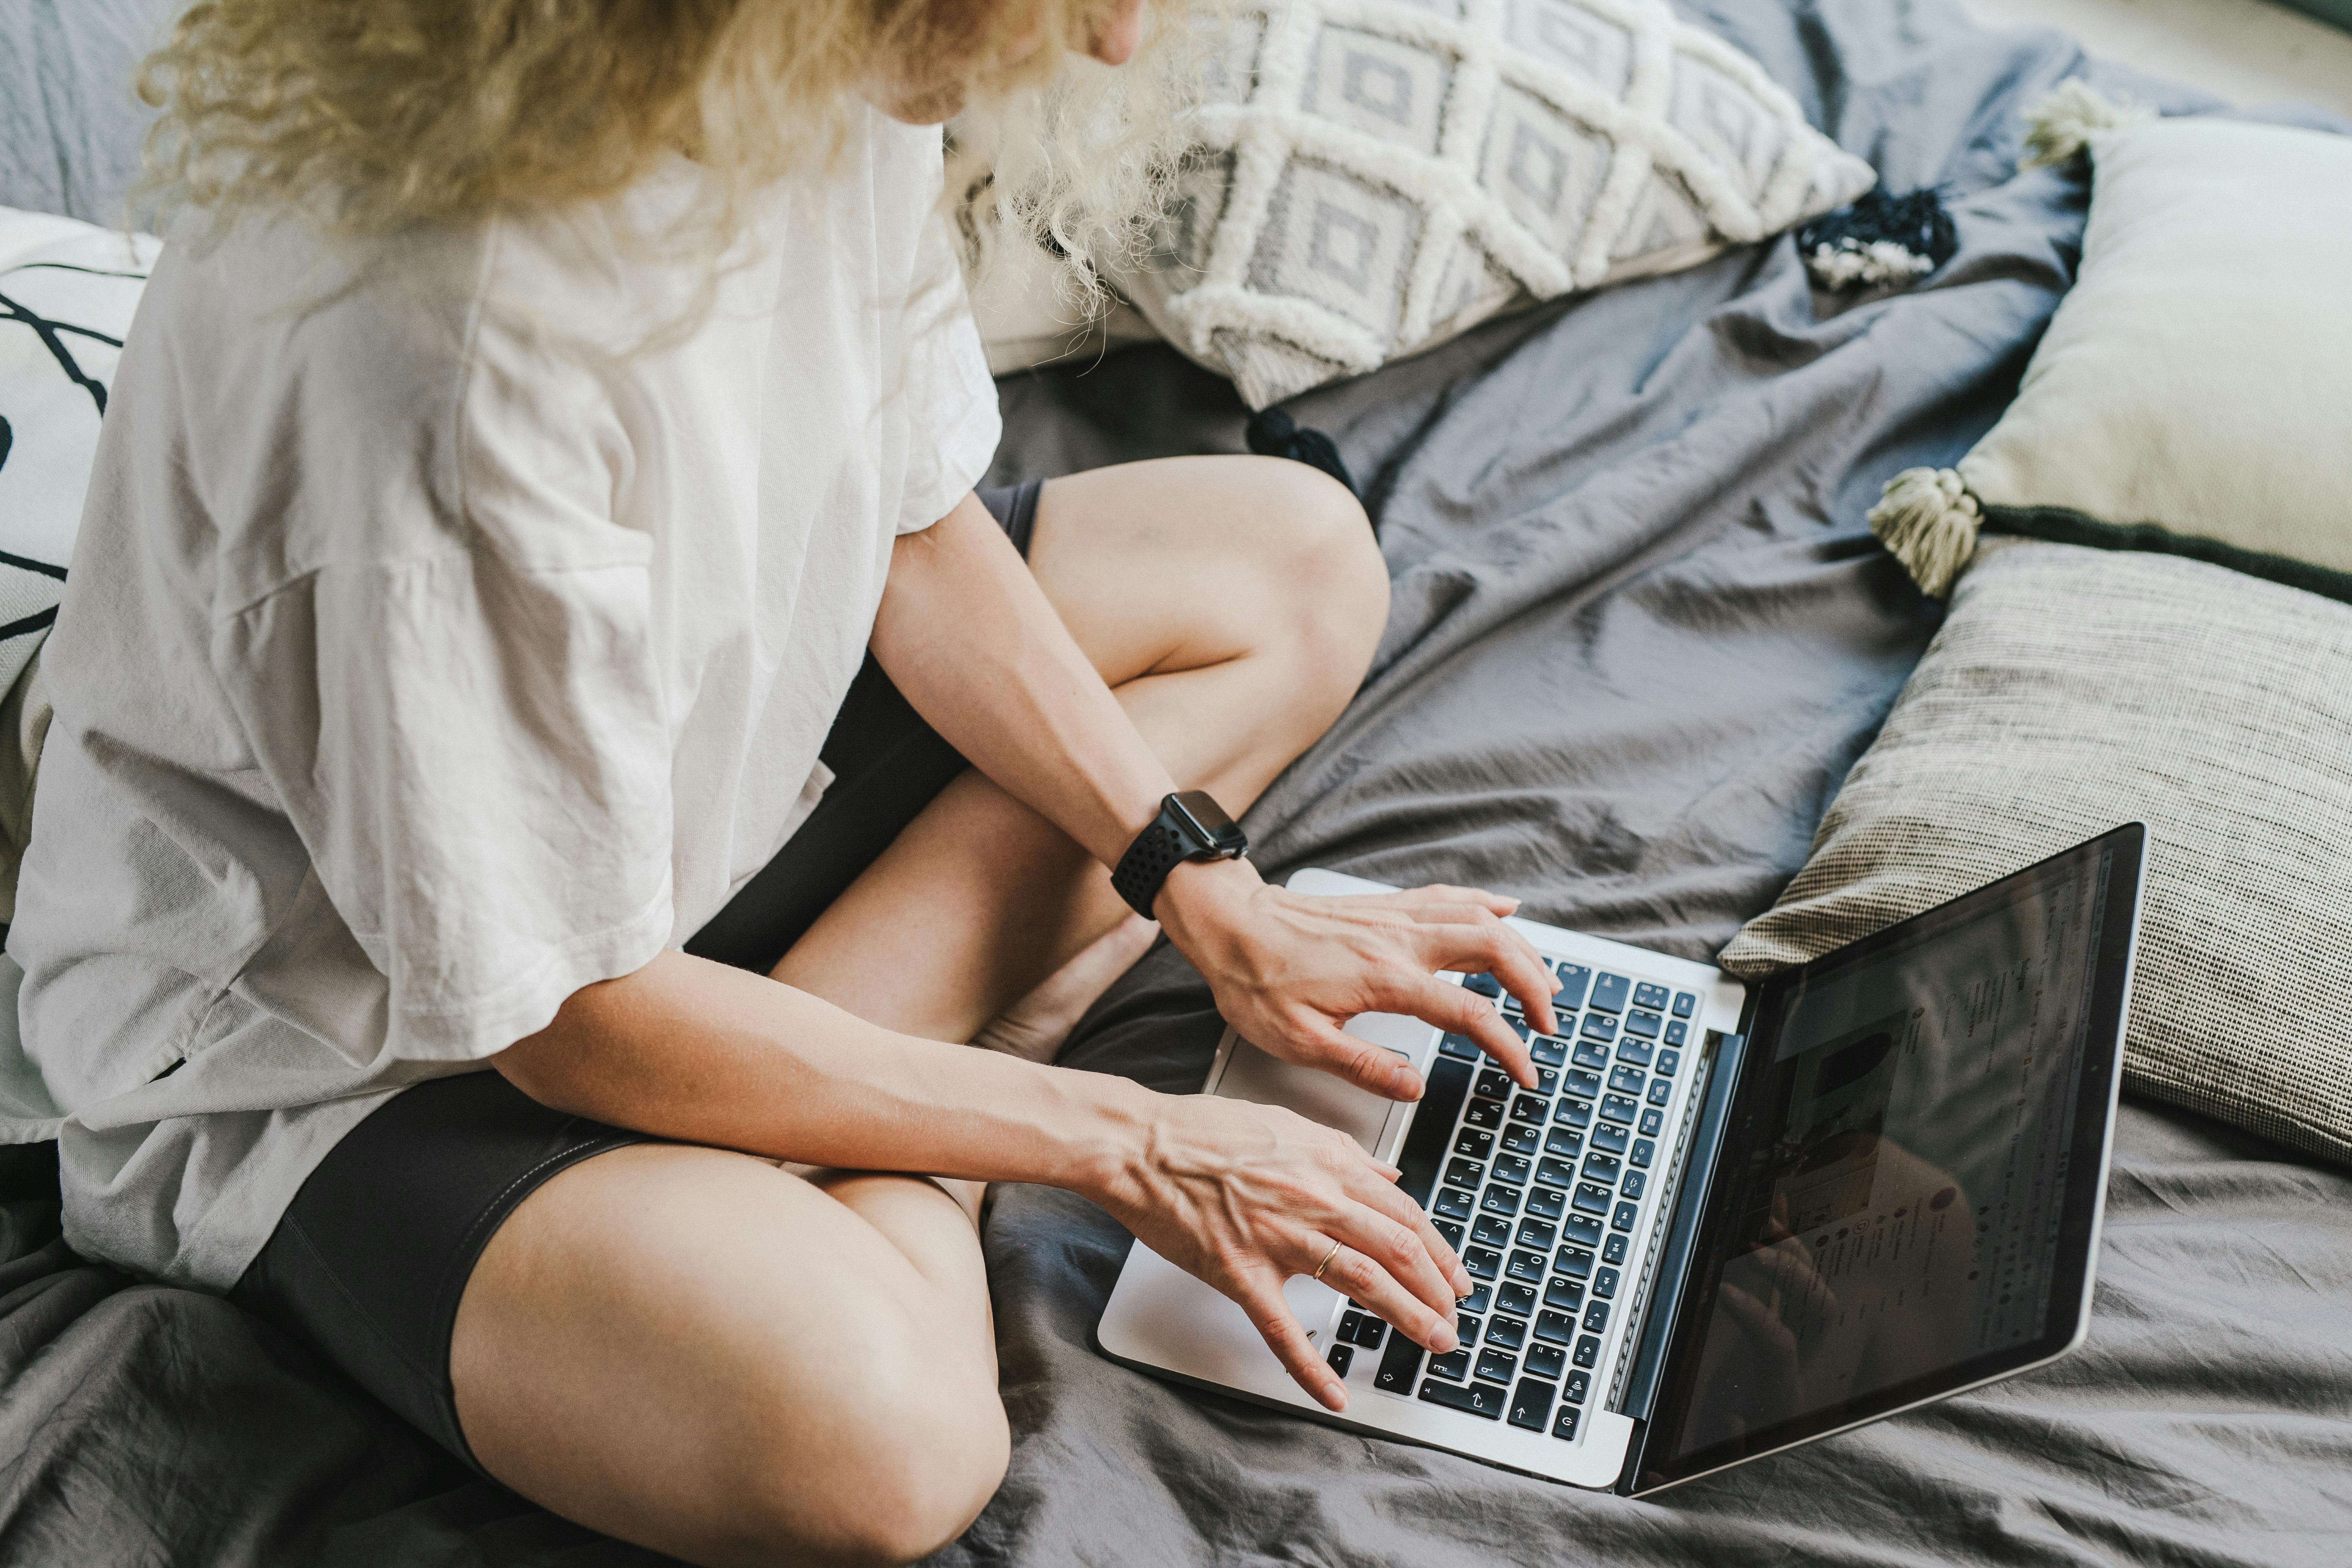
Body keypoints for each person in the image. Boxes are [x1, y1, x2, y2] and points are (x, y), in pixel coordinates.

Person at [5, 2, 1559, 1563]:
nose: (1113, 41)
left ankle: (835, 1084)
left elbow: (906, 511)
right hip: (359, 1041)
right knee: (880, 1445)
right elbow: (565, 1021)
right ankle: (931, 1070)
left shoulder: (809, 58)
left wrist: (1196, 882)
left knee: (1295, 566)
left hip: (697, 816)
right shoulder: (445, 351)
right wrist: (1116, 1136)